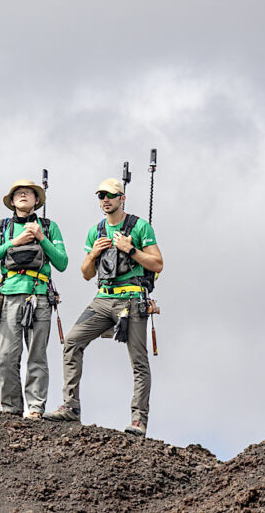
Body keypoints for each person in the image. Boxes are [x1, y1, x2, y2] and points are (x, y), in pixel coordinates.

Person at [44, 178, 163, 436]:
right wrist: (92, 255)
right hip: (102, 299)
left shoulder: (140, 227)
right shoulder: (95, 231)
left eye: (110, 195)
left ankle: (138, 420)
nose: (105, 200)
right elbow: (86, 274)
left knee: (138, 361)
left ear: (122, 198)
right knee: (72, 342)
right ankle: (70, 407)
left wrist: (130, 249)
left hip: (131, 300)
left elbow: (157, 264)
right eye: (101, 196)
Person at [0, 179, 68, 419]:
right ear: (11, 201)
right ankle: (11, 409)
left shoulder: (49, 227)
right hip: (8, 294)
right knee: (6, 357)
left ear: (37, 200)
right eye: (18, 193)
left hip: (39, 295)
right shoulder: (1, 227)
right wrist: (14, 242)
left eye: (28, 193)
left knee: (36, 355)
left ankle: (35, 408)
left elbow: (62, 262)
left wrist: (42, 238)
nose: (22, 195)